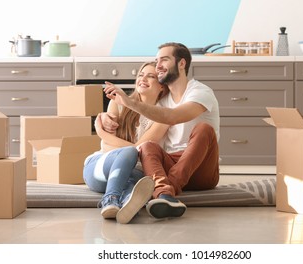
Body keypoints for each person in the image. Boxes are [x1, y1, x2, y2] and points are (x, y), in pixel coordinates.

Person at [104, 42, 220, 220]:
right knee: (148, 146)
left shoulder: (200, 92)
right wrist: (102, 118)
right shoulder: (162, 101)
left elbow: (173, 116)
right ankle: (164, 196)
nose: (158, 66)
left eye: (164, 60)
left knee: (204, 129)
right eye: (157, 61)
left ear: (181, 64)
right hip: (171, 163)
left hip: (201, 169)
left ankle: (165, 191)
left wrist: (128, 102)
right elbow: (140, 135)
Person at [83, 61, 169, 224]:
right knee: (130, 152)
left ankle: (127, 205)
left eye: (151, 76)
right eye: (141, 75)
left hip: (133, 174)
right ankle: (110, 200)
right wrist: (102, 133)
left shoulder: (162, 116)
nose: (143, 79)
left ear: (162, 87)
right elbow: (108, 146)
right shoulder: (117, 102)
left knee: (138, 184)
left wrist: (102, 133)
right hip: (99, 167)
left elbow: (142, 148)